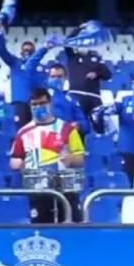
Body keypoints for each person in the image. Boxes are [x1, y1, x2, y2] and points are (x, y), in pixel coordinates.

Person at [10, 88, 86, 223]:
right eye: (34, 104)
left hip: (65, 187)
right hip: (37, 188)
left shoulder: (67, 129)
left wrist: (71, 159)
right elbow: (15, 158)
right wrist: (17, 163)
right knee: (41, 227)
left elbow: (81, 159)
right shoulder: (23, 132)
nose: (38, 107)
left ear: (50, 104)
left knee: (72, 227)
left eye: (42, 103)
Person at [0, 29, 38, 128]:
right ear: (21, 52)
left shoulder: (40, 67)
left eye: (30, 51)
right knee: (21, 132)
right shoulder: (15, 62)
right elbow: (2, 51)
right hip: (20, 104)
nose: (27, 52)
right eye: (25, 50)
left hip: (37, 104)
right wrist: (0, 35)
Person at [63, 41, 112, 116]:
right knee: (78, 122)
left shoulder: (95, 58)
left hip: (94, 97)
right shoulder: (72, 57)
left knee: (97, 123)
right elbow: (67, 43)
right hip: (76, 94)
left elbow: (108, 75)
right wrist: (78, 30)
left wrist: (96, 73)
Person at [44, 63, 91, 135]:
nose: (56, 79)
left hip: (66, 137)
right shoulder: (41, 96)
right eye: (53, 76)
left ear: (65, 78)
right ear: (48, 78)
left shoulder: (72, 99)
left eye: (59, 76)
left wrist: (79, 125)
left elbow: (85, 124)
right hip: (45, 136)